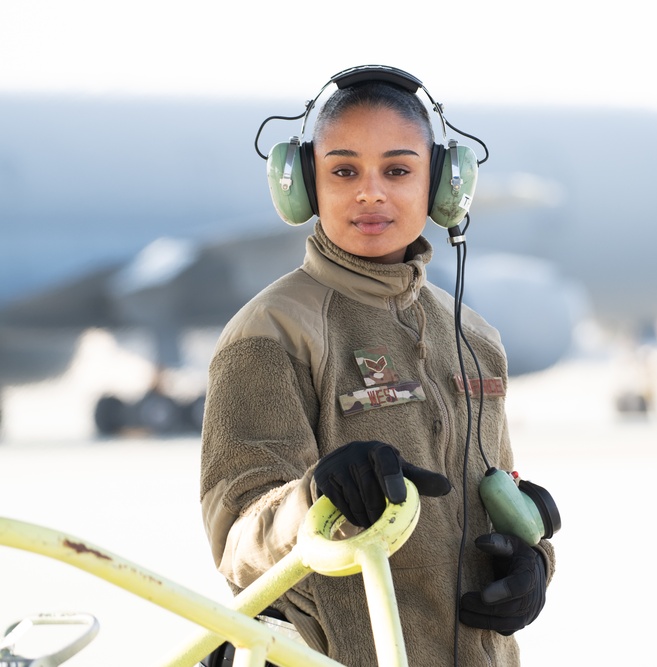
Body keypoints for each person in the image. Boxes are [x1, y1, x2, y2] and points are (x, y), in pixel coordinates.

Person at [199, 65, 556, 666]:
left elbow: (500, 491)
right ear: (305, 186)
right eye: (343, 171)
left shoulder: (473, 335)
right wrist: (315, 497)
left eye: (397, 170)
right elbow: (238, 539)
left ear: (442, 187)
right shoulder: (273, 332)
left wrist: (533, 564)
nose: (370, 192)